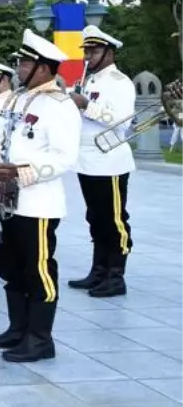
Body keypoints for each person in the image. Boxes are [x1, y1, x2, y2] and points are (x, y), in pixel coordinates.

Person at [0, 29, 80, 362]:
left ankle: (40, 338)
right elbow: (10, 143)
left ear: (44, 68)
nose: (18, 68)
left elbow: (64, 157)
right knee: (11, 266)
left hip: (38, 203)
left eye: (25, 63)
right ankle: (17, 329)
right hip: (10, 201)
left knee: (39, 269)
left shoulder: (59, 105)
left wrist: (20, 171)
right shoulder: (20, 100)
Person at [69, 25, 137, 298]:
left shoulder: (120, 82)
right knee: (95, 217)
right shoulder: (89, 80)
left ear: (108, 52)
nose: (87, 55)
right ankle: (98, 271)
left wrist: (86, 105)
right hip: (87, 160)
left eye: (93, 50)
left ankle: (115, 275)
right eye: (86, 49)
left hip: (110, 161)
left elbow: (122, 122)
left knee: (114, 220)